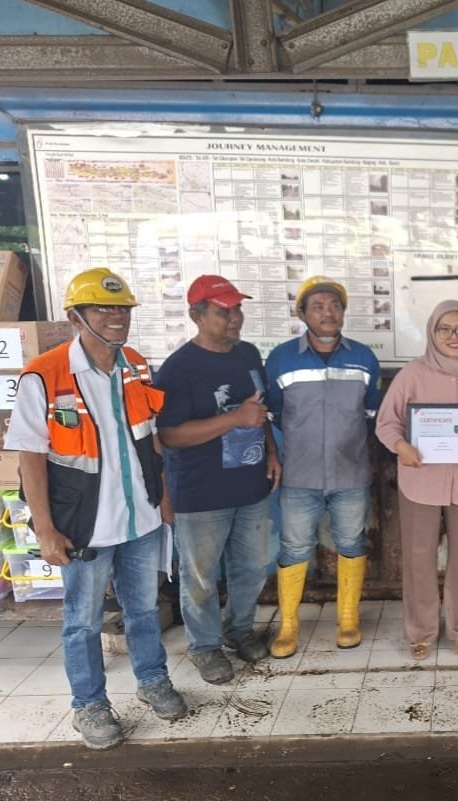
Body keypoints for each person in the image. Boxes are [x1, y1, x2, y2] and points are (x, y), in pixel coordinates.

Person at [5, 267, 187, 750]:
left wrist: (165, 500)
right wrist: (45, 529)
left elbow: (151, 440)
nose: (116, 317)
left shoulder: (136, 366)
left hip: (140, 517)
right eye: (103, 308)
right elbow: (30, 457)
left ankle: (152, 680)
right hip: (84, 525)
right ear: (75, 317)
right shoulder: (44, 375)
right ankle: (89, 704)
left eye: (122, 308)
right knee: (83, 621)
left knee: (143, 609)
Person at [154, 275, 281, 684]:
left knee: (252, 568)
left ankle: (238, 630)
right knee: (201, 577)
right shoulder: (179, 369)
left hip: (251, 484)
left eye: (237, 309)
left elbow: (258, 411)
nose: (234, 318)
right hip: (202, 492)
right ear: (196, 316)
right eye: (223, 311)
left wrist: (272, 451)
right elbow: (169, 435)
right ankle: (204, 646)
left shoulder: (247, 354)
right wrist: (234, 418)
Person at [375, 300, 458, 660]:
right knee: (418, 557)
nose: (454, 336)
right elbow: (387, 422)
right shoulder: (413, 374)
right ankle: (420, 631)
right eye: (445, 329)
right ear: (432, 333)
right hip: (421, 481)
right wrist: (401, 446)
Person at [265, 276, 382, 657]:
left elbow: (371, 414)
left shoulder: (364, 357)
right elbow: (274, 414)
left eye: (335, 305)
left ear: (343, 313)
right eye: (318, 306)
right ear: (301, 314)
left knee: (351, 543)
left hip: (351, 473)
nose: (328, 313)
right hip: (299, 475)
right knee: (294, 547)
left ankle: (348, 619)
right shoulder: (281, 358)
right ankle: (288, 626)